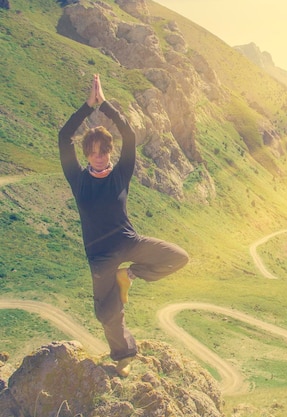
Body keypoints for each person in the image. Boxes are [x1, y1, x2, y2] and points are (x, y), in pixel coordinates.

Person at [58, 74, 189, 377]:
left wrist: (106, 105)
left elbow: (129, 135)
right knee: (105, 313)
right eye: (93, 152)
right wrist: (87, 107)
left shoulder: (120, 174)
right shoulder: (78, 181)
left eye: (104, 152)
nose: (100, 157)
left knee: (178, 257)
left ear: (110, 152)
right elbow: (64, 136)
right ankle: (123, 354)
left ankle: (128, 275)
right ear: (86, 154)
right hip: (100, 256)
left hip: (128, 242)